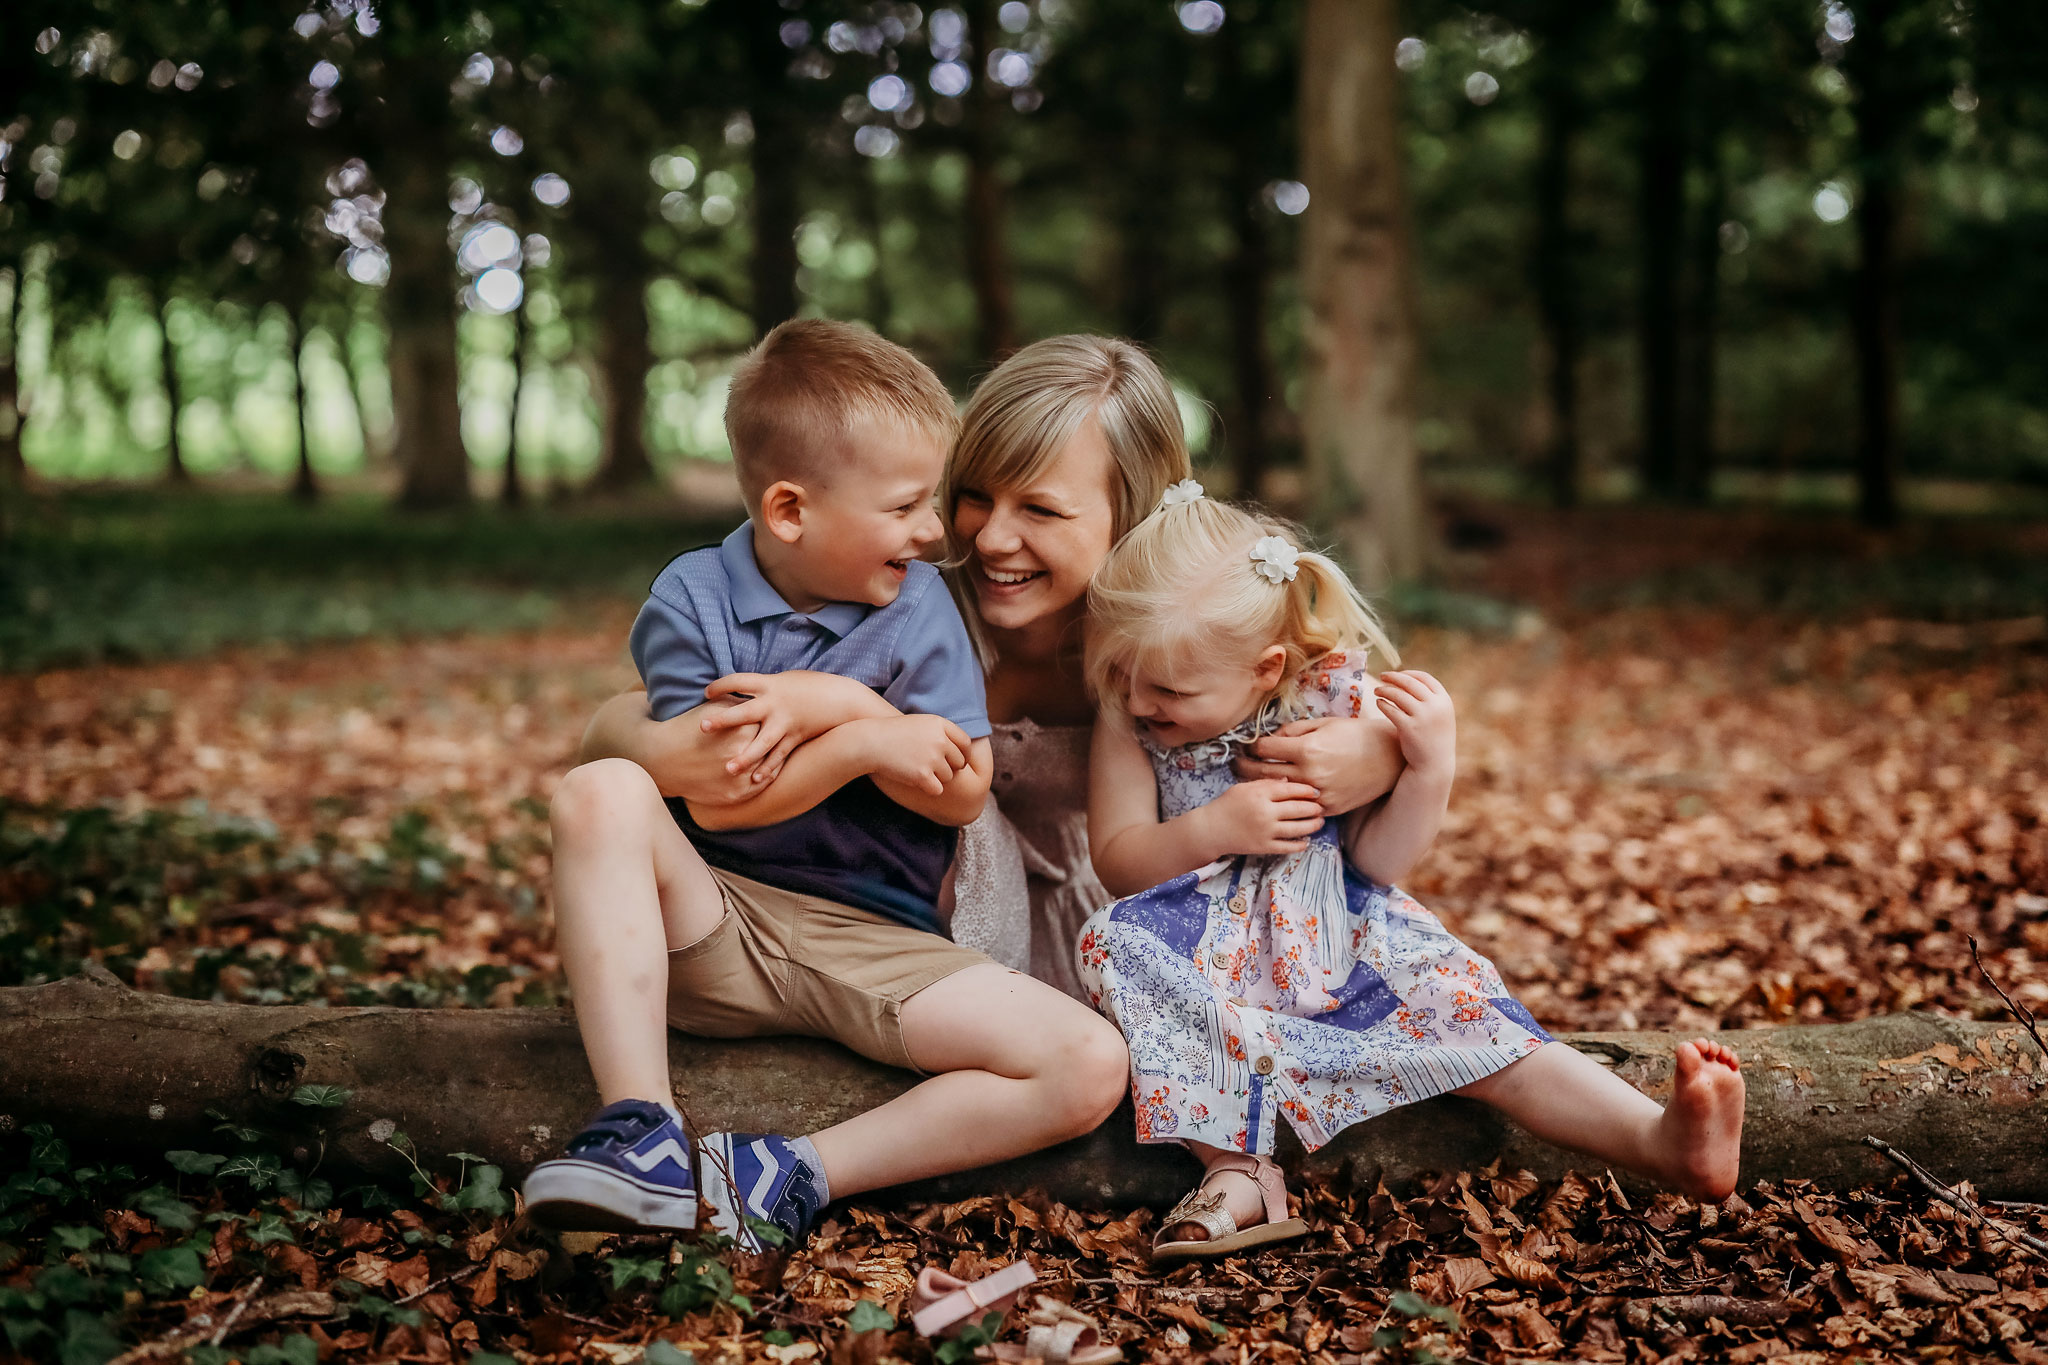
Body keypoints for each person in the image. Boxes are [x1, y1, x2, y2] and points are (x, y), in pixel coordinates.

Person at [523, 320, 1129, 1248]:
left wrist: (847, 710)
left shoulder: (929, 602)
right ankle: (639, 1129)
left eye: (1039, 508)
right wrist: (858, 745)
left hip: (893, 946)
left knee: (1089, 1063)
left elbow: (960, 786)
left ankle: (788, 1171)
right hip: (718, 920)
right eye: (933, 501)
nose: (944, 532)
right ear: (791, 513)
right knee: (598, 789)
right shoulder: (697, 599)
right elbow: (712, 789)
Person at [1075, 491, 1748, 1263]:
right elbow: (1118, 856)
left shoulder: (1333, 703)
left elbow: (1379, 862)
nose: (1136, 698)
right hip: (1200, 954)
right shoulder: (1129, 719)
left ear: (1264, 668)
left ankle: (1660, 1140)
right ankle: (1235, 1168)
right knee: (1108, 941)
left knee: (1475, 1017)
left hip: (1340, 935)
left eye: (1165, 689)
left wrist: (1432, 765)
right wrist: (1210, 829)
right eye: (1122, 672)